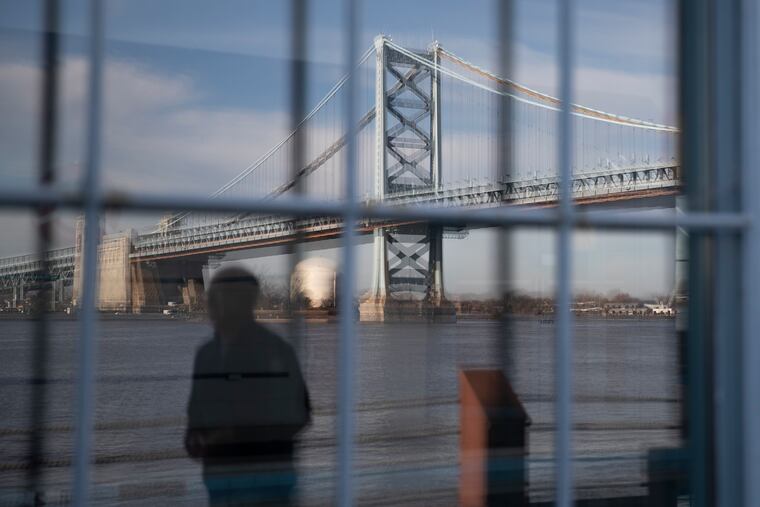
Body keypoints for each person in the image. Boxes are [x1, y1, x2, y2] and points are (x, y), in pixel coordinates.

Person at [185, 267, 311, 506]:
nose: (209, 305)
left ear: (243, 303)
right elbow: (195, 413)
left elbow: (300, 414)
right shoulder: (205, 354)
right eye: (211, 298)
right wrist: (193, 438)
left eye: (217, 298)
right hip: (219, 480)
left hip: (266, 481)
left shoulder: (277, 352)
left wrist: (236, 435)